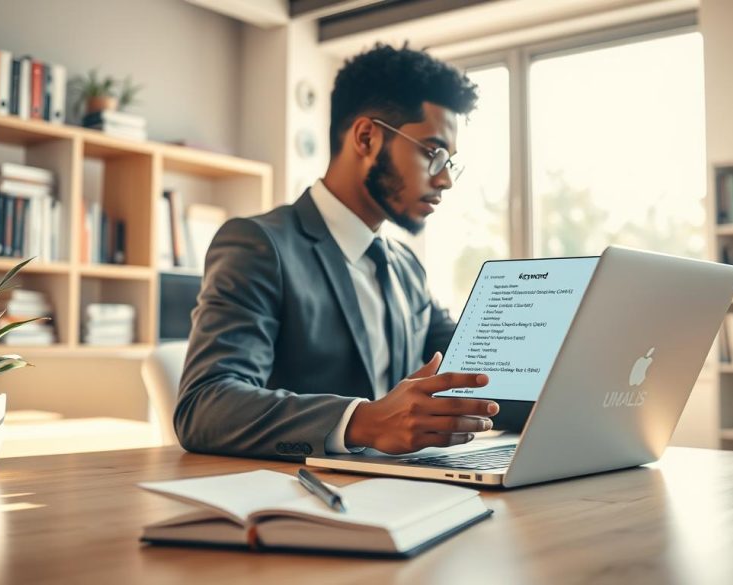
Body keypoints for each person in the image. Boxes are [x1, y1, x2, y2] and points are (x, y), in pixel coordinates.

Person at [175, 43, 499, 460]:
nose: (445, 181)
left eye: (450, 163)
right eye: (434, 153)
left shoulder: (404, 267)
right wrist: (365, 421)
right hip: (299, 498)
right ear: (366, 137)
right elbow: (205, 406)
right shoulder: (259, 246)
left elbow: (475, 370)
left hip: (402, 490)